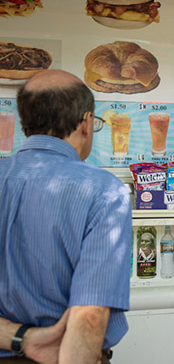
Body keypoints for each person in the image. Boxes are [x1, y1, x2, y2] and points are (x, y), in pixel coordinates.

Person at [0, 70, 132, 363]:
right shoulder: (104, 191)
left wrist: (21, 336)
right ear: (86, 123)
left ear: (25, 124)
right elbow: (90, 316)